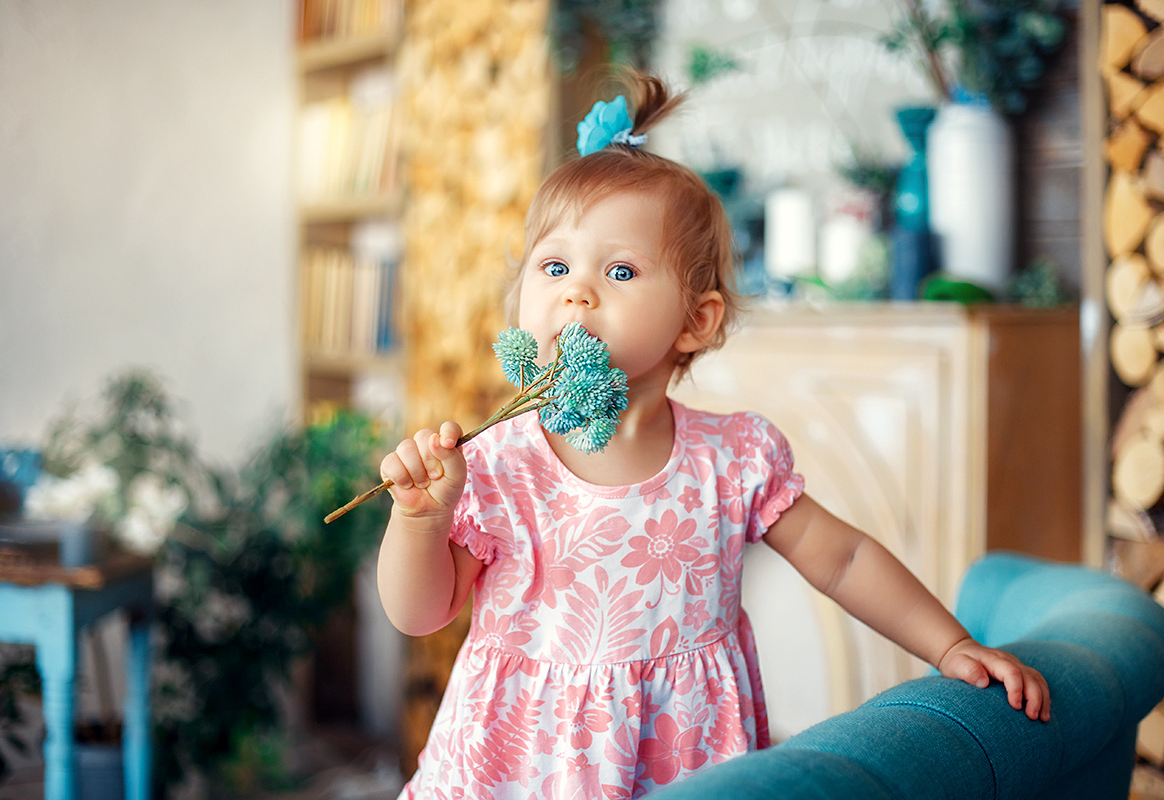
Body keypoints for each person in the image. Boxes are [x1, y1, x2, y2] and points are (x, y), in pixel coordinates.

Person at [376, 71, 1050, 799]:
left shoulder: (732, 458)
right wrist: (421, 519)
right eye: (556, 265)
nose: (577, 290)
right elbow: (421, 614)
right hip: (519, 767)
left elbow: (846, 559)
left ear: (697, 321)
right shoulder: (499, 462)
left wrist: (948, 644)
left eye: (622, 269)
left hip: (685, 761)